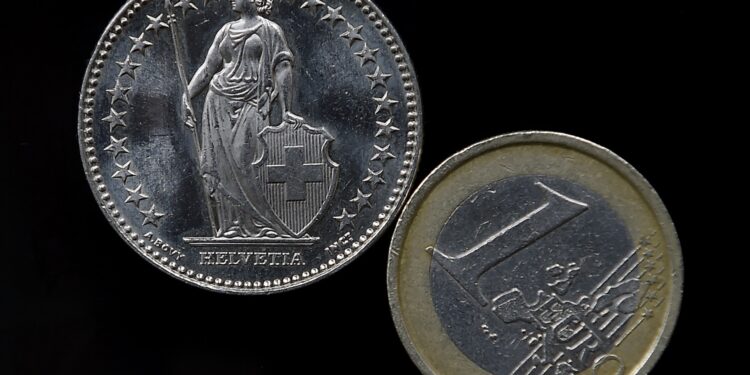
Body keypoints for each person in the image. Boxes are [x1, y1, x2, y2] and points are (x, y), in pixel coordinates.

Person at [183, 0, 301, 238]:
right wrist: (187, 96)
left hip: (253, 102)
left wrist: (286, 109)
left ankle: (262, 224)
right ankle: (232, 227)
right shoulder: (225, 30)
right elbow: (208, 68)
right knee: (222, 165)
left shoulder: (270, 30)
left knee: (248, 160)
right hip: (218, 101)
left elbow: (283, 67)